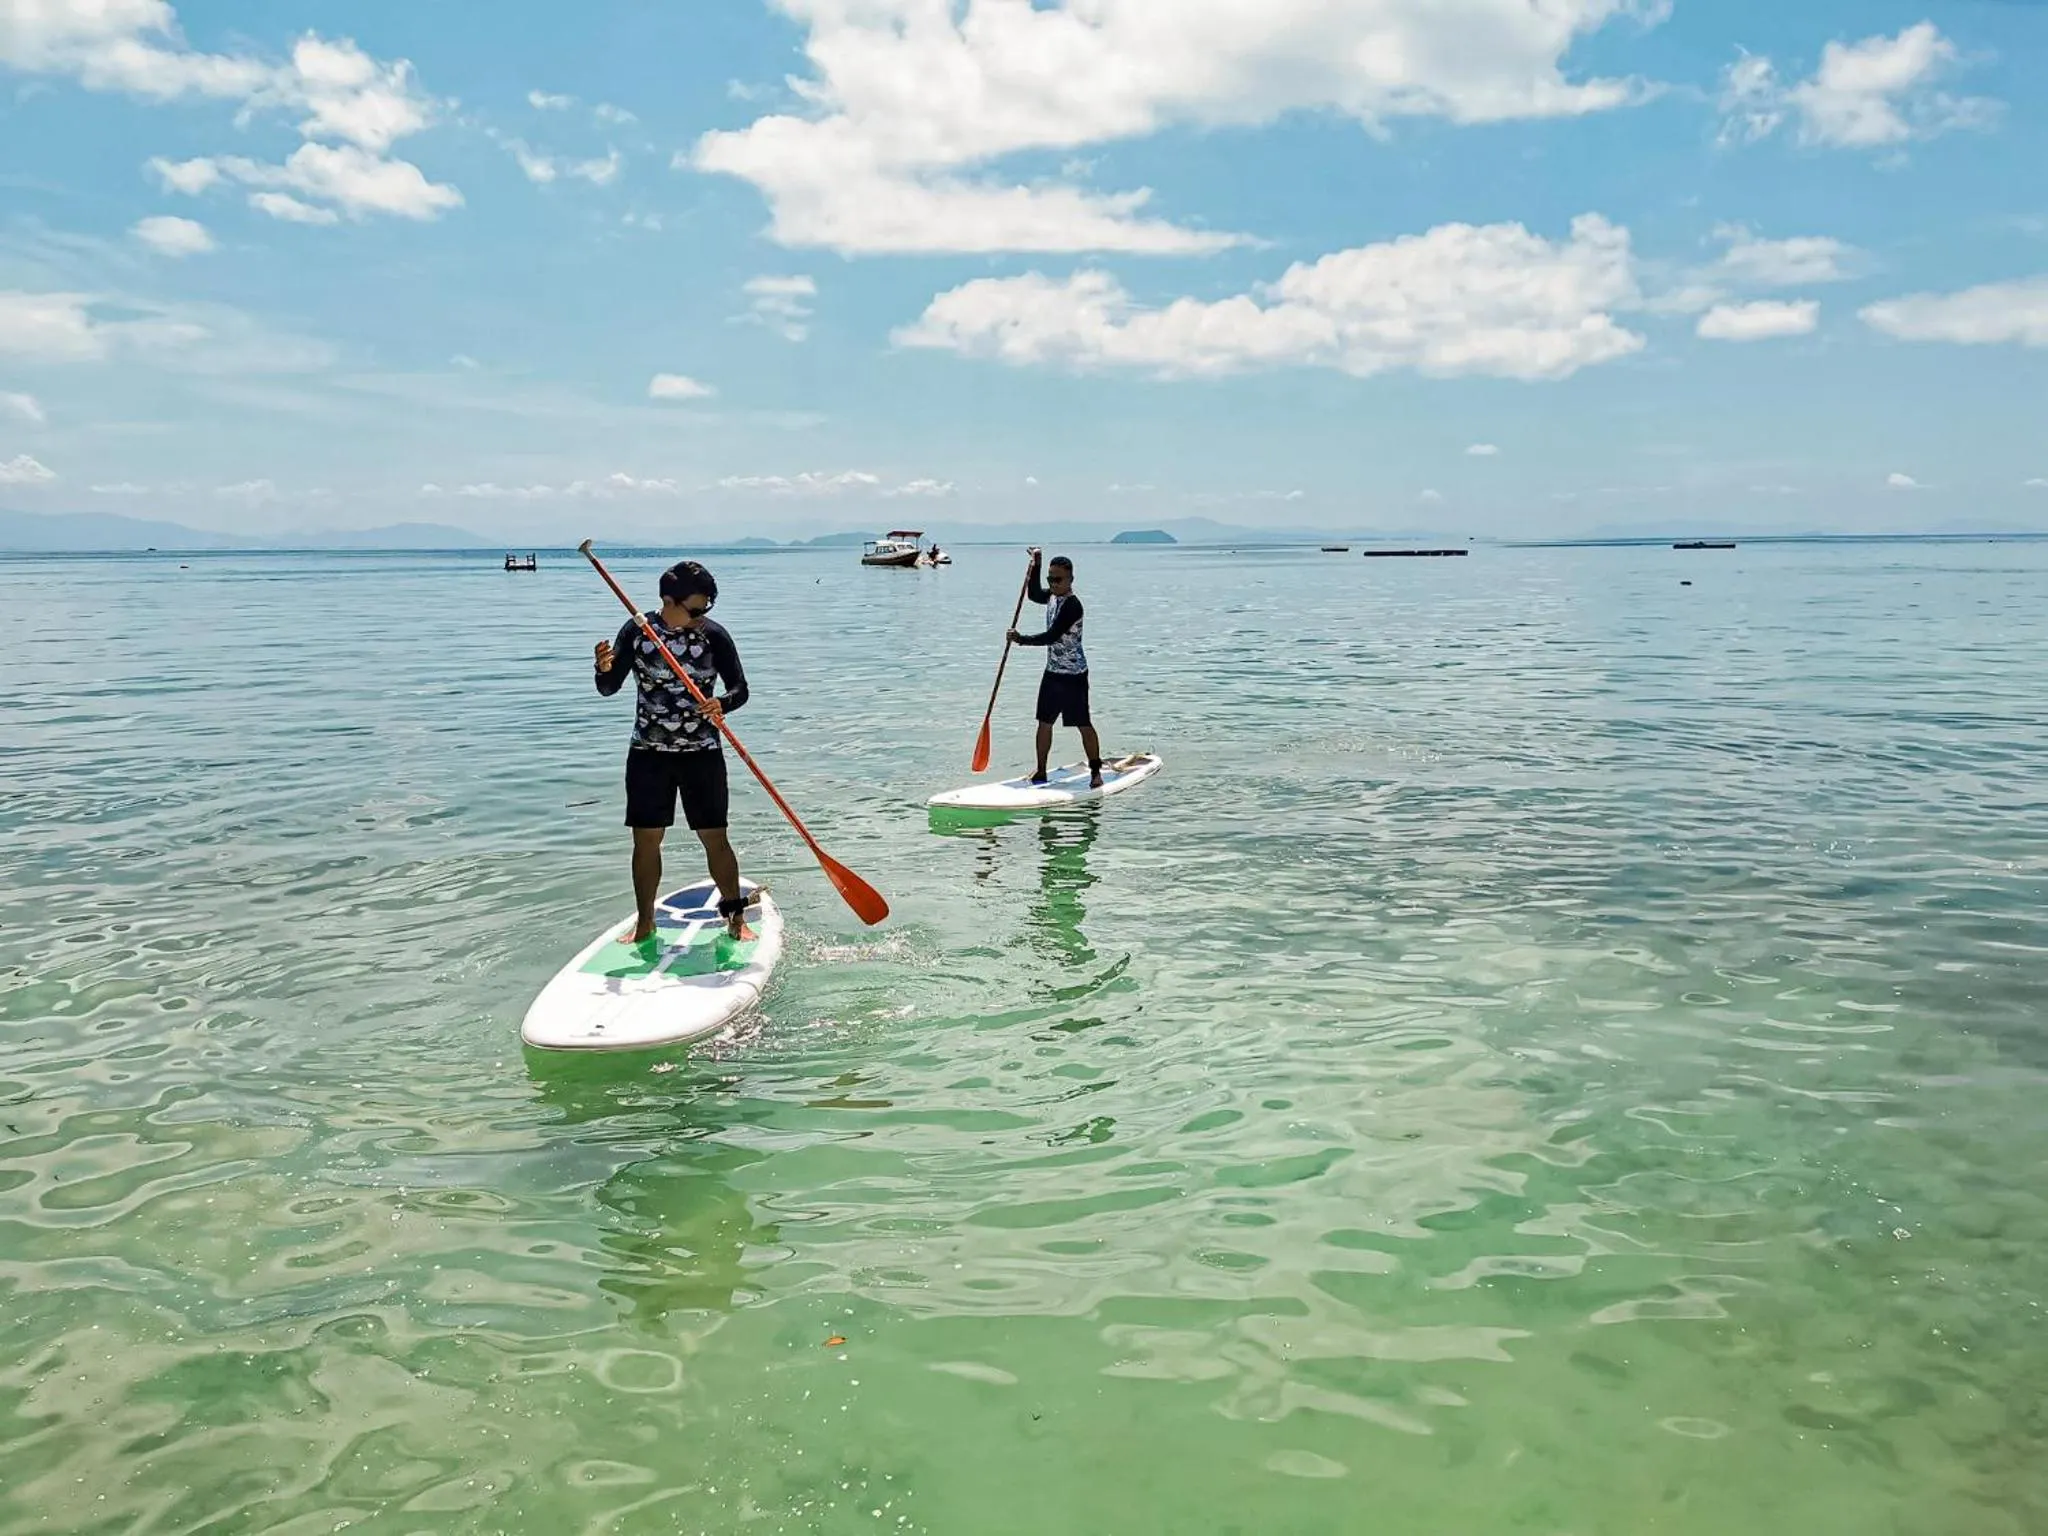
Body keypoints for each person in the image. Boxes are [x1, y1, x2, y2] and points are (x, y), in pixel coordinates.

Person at [593, 559, 754, 944]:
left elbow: (740, 689)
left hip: (702, 754)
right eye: (695, 609)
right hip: (649, 754)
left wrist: (722, 705)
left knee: (715, 836)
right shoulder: (638, 632)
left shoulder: (714, 636)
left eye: (706, 609)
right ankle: (646, 922)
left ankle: (734, 917)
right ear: (668, 600)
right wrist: (602, 669)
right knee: (646, 840)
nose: (702, 617)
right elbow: (608, 687)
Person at [1008, 547, 1104, 788]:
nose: (1053, 584)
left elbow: (1051, 636)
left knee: (1083, 724)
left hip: (1074, 676)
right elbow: (1032, 594)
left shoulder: (1073, 606)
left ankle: (1095, 771)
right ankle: (1041, 772)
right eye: (1050, 578)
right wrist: (1036, 564)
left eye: (1058, 579)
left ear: (1070, 579)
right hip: (1052, 673)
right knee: (1044, 723)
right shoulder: (1051, 596)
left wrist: (1020, 639)